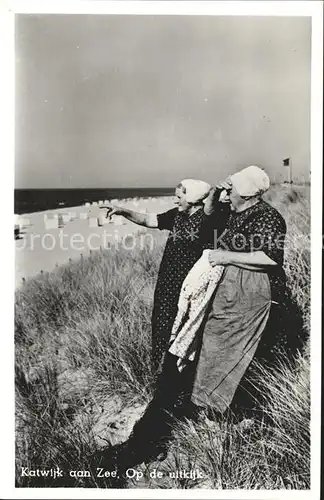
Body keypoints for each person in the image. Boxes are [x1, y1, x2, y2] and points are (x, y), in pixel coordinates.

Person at [187, 165, 288, 418]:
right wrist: (218, 191)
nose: (226, 195)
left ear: (244, 194)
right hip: (233, 291)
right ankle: (214, 406)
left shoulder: (267, 216)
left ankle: (228, 410)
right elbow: (208, 213)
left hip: (254, 291)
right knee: (217, 342)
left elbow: (271, 258)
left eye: (230, 191)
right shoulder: (234, 211)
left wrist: (225, 256)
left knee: (235, 348)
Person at [105, 180, 229, 376]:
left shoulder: (209, 218)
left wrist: (219, 190)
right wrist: (122, 211)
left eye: (179, 197)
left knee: (184, 331)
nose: (175, 200)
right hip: (167, 284)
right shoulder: (176, 216)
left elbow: (213, 202)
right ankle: (159, 372)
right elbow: (148, 220)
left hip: (190, 288)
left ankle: (178, 376)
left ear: (193, 199)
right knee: (161, 326)